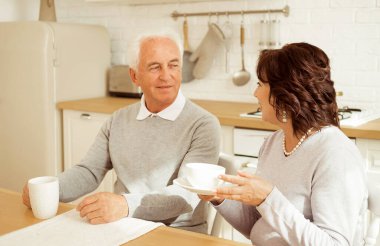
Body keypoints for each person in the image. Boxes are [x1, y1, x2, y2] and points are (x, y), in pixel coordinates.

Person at [22, 29, 221, 233]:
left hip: (178, 233)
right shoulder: (118, 120)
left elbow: (185, 195)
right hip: (122, 227)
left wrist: (125, 205)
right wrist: (50, 190)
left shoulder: (203, 124)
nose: (166, 75)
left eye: (173, 65)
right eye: (155, 67)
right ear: (135, 76)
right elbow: (89, 172)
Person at [200, 43, 368, 245]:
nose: (255, 94)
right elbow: (259, 224)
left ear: (286, 93)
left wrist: (268, 198)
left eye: (261, 84)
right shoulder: (274, 143)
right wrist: (219, 196)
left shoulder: (335, 154)